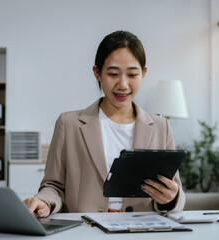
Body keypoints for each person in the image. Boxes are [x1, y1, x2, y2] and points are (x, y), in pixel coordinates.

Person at [24, 30, 185, 217]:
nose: (123, 84)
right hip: (84, 231)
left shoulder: (160, 127)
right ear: (97, 73)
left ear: (143, 73)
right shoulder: (68, 124)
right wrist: (43, 201)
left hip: (141, 232)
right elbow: (53, 185)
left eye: (132, 75)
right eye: (113, 74)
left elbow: (175, 189)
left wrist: (171, 198)